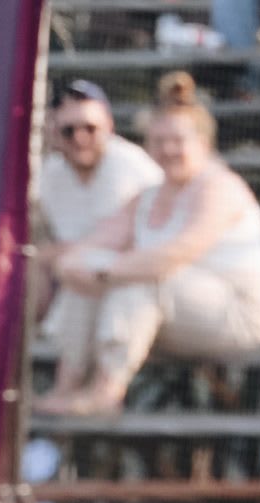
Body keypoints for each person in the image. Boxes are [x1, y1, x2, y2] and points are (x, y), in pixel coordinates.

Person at [36, 72, 260, 417]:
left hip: (240, 319)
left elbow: (171, 258)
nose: (167, 150)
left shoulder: (221, 188)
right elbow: (88, 248)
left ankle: (106, 392)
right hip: (175, 315)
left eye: (177, 140)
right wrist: (76, 266)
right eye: (158, 141)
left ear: (203, 142)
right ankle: (67, 385)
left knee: (136, 278)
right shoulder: (148, 197)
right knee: (98, 274)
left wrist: (100, 270)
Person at [33, 81, 164, 350]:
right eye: (69, 130)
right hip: (82, 284)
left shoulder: (131, 166)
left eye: (90, 128)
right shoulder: (51, 174)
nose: (80, 138)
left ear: (109, 126)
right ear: (54, 132)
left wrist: (54, 254)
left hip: (137, 287)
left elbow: (144, 245)